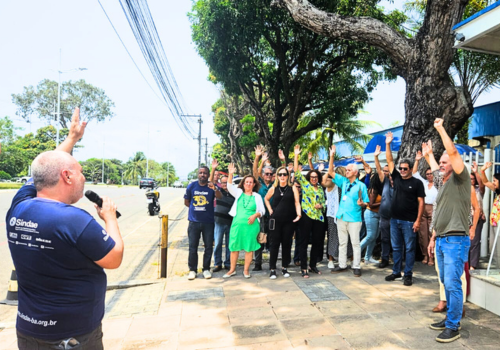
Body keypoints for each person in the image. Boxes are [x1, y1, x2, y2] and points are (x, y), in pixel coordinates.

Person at [6, 108, 123, 349]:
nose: (84, 179)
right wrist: (110, 218)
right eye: (81, 174)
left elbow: (45, 169)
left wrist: (72, 138)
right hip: (72, 335)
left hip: (29, 331)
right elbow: (114, 258)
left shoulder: (18, 206)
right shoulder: (74, 220)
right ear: (67, 177)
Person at [426, 118, 474, 343]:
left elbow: (452, 153)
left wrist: (440, 129)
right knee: (447, 282)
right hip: (444, 240)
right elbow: (437, 169)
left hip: (456, 240)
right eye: (440, 162)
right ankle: (450, 318)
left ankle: (454, 325)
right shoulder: (443, 183)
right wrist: (428, 157)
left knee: (453, 283)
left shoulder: (461, 178)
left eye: (446, 161)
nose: (442, 164)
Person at [384, 132, 425, 286]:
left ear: (410, 169)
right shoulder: (396, 178)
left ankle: (407, 274)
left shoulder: (416, 183)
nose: (401, 170)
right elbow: (389, 160)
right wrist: (388, 144)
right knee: (395, 247)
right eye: (400, 168)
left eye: (404, 169)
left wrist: (417, 221)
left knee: (409, 248)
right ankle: (396, 272)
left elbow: (421, 202)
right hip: (394, 220)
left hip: (409, 222)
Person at [328, 146, 369, 277]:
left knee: (355, 243)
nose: (347, 171)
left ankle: (356, 266)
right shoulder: (344, 182)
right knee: (342, 242)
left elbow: (367, 203)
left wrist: (362, 203)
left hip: (354, 219)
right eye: (346, 170)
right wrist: (332, 156)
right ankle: (342, 264)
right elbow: (330, 172)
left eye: (349, 170)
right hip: (341, 217)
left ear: (355, 172)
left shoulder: (361, 186)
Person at [224, 163, 265, 279]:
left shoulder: (257, 196)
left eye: (251, 182)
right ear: (243, 183)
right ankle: (232, 270)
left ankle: (246, 270)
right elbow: (229, 186)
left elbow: (262, 211)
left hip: (251, 227)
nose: (248, 184)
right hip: (237, 225)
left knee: (249, 248)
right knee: (234, 247)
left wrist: (255, 215)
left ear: (254, 184)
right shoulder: (239, 193)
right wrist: (230, 174)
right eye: (246, 182)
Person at [293, 145, 326, 278]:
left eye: (315, 177)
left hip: (318, 217)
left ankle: (313, 265)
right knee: (303, 242)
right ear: (308, 178)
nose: (313, 178)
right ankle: (303, 268)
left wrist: (321, 205)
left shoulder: (320, 188)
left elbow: (324, 202)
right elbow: (296, 172)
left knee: (318, 242)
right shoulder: (305, 185)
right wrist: (296, 155)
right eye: (311, 177)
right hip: (307, 216)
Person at [184, 165, 222, 280]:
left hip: (208, 222)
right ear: (198, 174)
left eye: (205, 173)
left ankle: (206, 269)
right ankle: (192, 270)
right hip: (194, 222)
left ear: (208, 174)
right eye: (200, 173)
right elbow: (187, 202)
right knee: (192, 247)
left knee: (208, 247)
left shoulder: (211, 186)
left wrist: (214, 188)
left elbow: (219, 197)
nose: (202, 175)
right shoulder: (191, 186)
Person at [264, 166, 301, 279]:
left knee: (287, 245)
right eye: (280, 174)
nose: (282, 176)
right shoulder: (274, 188)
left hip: (289, 221)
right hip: (276, 221)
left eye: (284, 174)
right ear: (277, 176)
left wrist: (298, 214)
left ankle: (285, 267)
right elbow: (266, 199)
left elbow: (296, 202)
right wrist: (270, 210)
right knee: (274, 245)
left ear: (288, 176)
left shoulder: (293, 188)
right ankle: (272, 269)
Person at [413, 151, 439, 266]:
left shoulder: (438, 184)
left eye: (431, 173)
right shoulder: (423, 183)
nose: (429, 175)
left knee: (431, 232)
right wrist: (417, 160)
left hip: (434, 208)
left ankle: (432, 257)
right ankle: (425, 255)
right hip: (423, 208)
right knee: (423, 233)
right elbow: (414, 173)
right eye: (427, 174)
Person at [210, 159, 235, 272]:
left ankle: (228, 263)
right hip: (219, 221)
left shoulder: (234, 192)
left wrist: (231, 174)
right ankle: (217, 263)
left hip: (230, 222)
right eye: (223, 182)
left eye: (227, 182)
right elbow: (210, 183)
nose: (225, 184)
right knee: (218, 243)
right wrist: (213, 168)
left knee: (230, 244)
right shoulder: (218, 190)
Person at [252, 145, 275, 271]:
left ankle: (272, 264)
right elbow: (255, 171)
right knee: (259, 239)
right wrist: (257, 158)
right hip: (260, 217)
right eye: (266, 173)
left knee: (272, 241)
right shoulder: (259, 184)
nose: (268, 175)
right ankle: (257, 264)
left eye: (270, 174)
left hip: (272, 216)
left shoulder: (274, 185)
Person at [373, 145, 394, 268]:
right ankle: (385, 259)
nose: (389, 175)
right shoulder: (385, 182)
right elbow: (379, 169)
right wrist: (376, 157)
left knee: (396, 241)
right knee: (385, 239)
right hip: (384, 217)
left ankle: (397, 260)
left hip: (396, 218)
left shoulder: (399, 183)